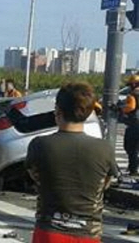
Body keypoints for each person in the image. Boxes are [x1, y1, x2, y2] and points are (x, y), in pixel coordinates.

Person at [26, 82, 117, 243]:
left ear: (57, 111)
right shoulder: (104, 149)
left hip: (49, 232)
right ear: (88, 113)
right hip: (88, 233)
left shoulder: (39, 145)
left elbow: (35, 176)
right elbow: (105, 183)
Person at [121, 74, 139, 176]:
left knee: (130, 147)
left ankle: (133, 170)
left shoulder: (133, 94)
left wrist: (120, 108)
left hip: (135, 124)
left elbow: (131, 107)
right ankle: (134, 165)